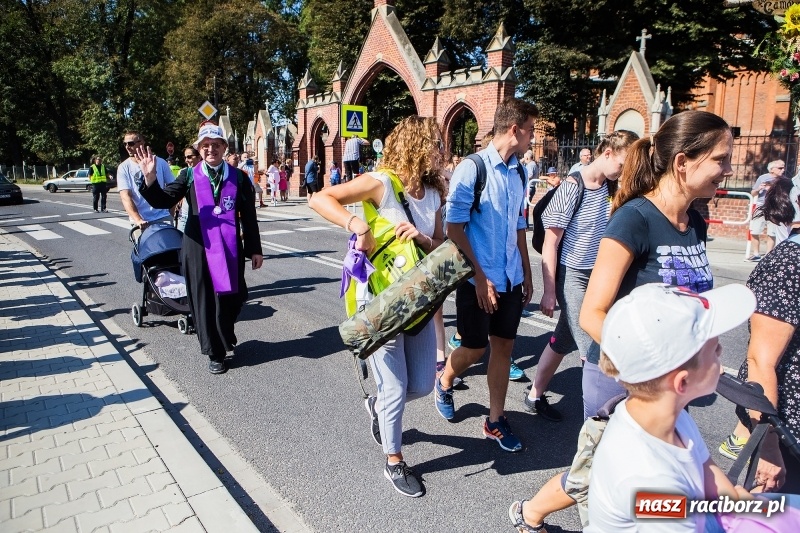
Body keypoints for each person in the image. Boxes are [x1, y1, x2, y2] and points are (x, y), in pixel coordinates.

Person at [509, 283, 757, 533]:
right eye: (715, 350)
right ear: (683, 382)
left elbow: (707, 470)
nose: (722, 355)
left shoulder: (670, 418)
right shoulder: (649, 478)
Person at [308, 116, 446, 497]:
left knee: (421, 383)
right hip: (381, 299)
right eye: (435, 143)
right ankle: (394, 461)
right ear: (416, 146)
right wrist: (358, 226)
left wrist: (422, 236)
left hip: (416, 300)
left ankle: (378, 403)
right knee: (396, 387)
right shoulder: (381, 183)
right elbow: (320, 198)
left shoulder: (434, 193)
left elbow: (441, 246)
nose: (442, 150)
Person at [579, 110, 730, 419]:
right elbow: (591, 315)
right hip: (622, 380)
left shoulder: (696, 224)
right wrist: (649, 365)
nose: (728, 170)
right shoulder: (635, 218)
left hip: (674, 383)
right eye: (720, 159)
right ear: (682, 162)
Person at [435, 97, 537, 452]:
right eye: (530, 131)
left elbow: (520, 224)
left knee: (504, 347)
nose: (532, 138)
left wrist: (525, 267)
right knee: (475, 348)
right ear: (514, 129)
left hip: (509, 276)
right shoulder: (472, 169)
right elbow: (453, 227)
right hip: (478, 279)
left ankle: (495, 420)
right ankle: (446, 379)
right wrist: (479, 276)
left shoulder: (520, 171)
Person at [525, 130, 639, 423]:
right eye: (623, 165)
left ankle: (533, 396)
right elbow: (550, 243)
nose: (624, 172)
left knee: (563, 340)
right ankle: (597, 421)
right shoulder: (572, 187)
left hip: (599, 276)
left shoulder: (612, 188)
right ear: (608, 153)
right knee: (592, 347)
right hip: (572, 276)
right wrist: (549, 291)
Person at [138, 122, 263, 374]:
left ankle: (225, 335)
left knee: (234, 296)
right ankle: (214, 352)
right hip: (197, 247)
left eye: (215, 145)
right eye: (205, 146)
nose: (210, 150)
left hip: (230, 248)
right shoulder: (188, 175)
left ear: (224, 148)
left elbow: (248, 215)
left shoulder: (238, 177)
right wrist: (150, 178)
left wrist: (254, 249)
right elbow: (164, 200)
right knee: (204, 299)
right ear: (199, 149)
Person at [721, 180, 800, 493]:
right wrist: (768, 445)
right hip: (789, 433)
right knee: (772, 519)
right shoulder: (788, 263)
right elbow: (759, 361)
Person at [117, 131, 175, 238]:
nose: (127, 147)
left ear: (142, 142)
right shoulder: (123, 167)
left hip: (163, 217)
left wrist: (171, 213)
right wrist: (138, 219)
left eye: (130, 143)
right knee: (144, 253)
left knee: (169, 252)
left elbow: (173, 188)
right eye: (125, 144)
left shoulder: (160, 162)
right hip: (141, 222)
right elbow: (125, 196)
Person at [748, 160, 786, 261]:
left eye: (783, 168)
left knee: (772, 233)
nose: (783, 170)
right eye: (780, 168)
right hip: (761, 206)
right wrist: (758, 189)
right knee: (755, 230)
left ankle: (768, 255)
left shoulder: (784, 180)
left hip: (775, 208)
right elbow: (753, 193)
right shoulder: (763, 178)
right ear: (772, 169)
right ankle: (756, 253)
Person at [175, 147, 200, 231]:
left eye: (189, 157)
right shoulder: (183, 172)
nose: (186, 160)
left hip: (199, 217)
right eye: (185, 157)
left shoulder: (206, 174)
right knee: (181, 240)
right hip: (184, 215)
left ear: (199, 157)